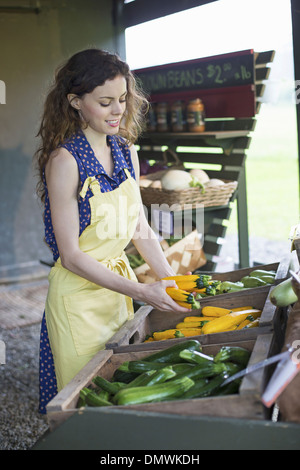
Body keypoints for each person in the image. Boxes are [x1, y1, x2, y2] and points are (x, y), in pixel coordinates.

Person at [34, 48, 191, 414]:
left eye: (122, 99)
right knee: (84, 405)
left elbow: (138, 223)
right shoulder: (64, 161)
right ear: (75, 102)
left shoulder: (125, 150)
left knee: (120, 395)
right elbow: (71, 255)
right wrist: (141, 290)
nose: (118, 110)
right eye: (105, 102)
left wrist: (170, 281)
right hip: (78, 301)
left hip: (116, 292)